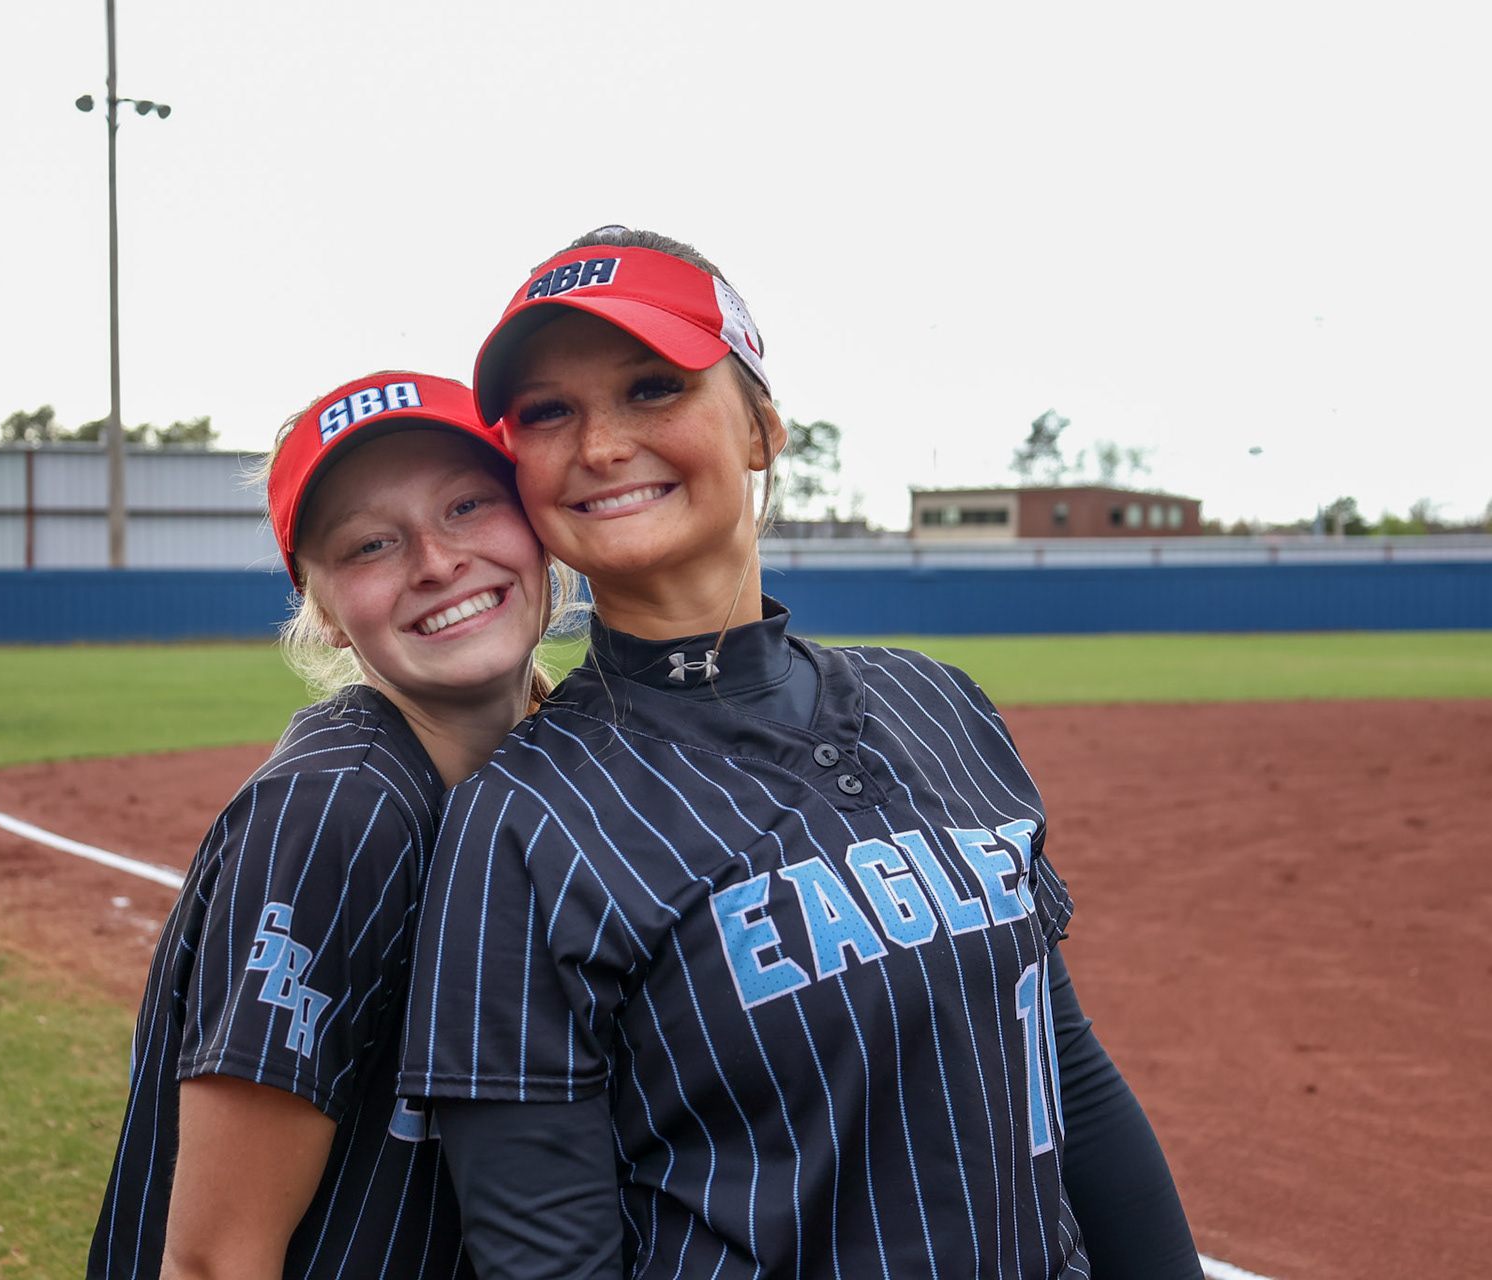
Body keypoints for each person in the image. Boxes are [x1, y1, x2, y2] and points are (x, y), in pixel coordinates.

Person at [398, 229, 1205, 1278]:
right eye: (548, 412)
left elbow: (1067, 1077)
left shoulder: (938, 702)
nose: (598, 446)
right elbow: (545, 1257)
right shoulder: (521, 823)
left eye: (652, 387)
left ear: (763, 431)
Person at [89, 370, 567, 1279]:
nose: (435, 560)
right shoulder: (338, 816)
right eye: (371, 545)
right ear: (328, 613)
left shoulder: (538, 772)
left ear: (538, 527)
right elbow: (215, 1261)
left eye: (467, 505)